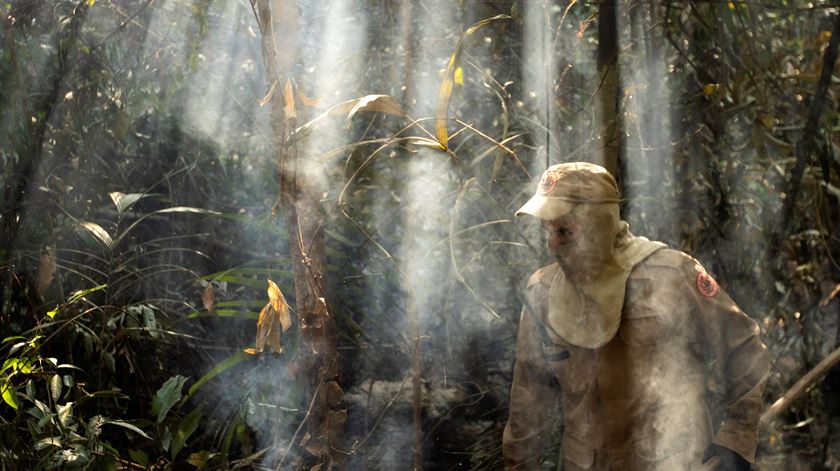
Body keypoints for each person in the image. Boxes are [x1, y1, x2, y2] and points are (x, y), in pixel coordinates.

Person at [503, 162, 770, 470]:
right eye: (548, 231)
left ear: (598, 225)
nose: (552, 244)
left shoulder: (673, 274)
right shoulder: (543, 292)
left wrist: (735, 441)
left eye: (563, 231)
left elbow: (745, 350)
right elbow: (527, 403)